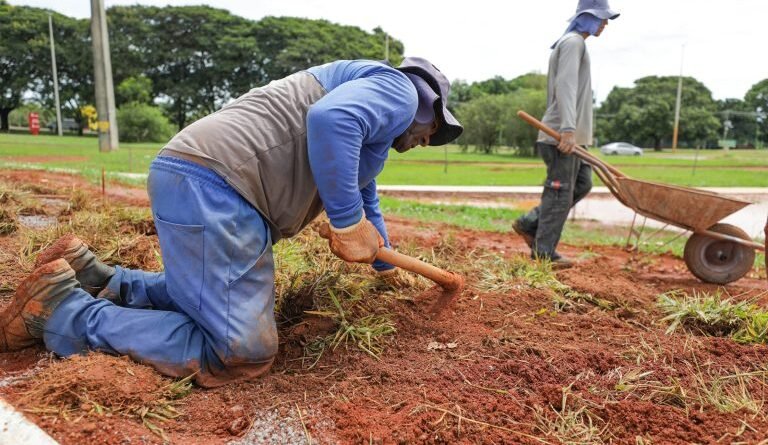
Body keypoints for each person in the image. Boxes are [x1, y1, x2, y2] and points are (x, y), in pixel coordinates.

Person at [0, 57, 463, 387]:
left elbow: (364, 195)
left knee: (209, 292)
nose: (426, 141)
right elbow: (332, 120)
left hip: (205, 181)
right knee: (239, 355)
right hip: (220, 189)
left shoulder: (369, 124)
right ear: (430, 106)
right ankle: (63, 314)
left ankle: (102, 280)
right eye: (433, 133)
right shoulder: (399, 91)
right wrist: (345, 223)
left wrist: (385, 268)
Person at [513, 0, 619, 267]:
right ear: (587, 18)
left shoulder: (573, 43)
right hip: (561, 136)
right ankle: (544, 253)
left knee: (583, 183)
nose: (605, 24)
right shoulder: (573, 43)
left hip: (572, 137)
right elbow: (566, 86)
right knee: (559, 194)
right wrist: (568, 130)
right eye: (601, 18)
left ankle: (531, 223)